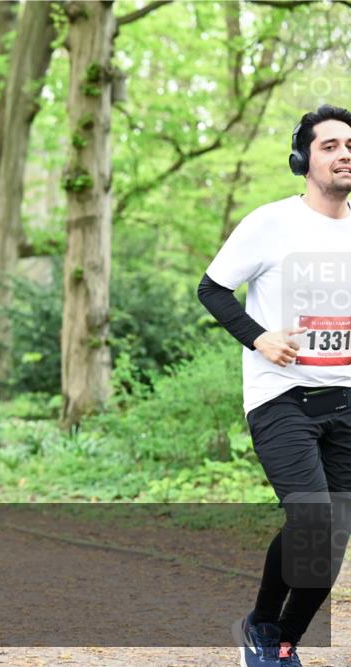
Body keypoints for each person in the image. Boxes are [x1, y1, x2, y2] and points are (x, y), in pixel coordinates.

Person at [198, 104, 351, 667]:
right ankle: (261, 625)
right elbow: (212, 289)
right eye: (330, 145)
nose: (344, 154)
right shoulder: (271, 223)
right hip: (282, 398)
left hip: (347, 400)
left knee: (332, 539)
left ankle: (280, 641)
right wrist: (258, 337)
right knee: (313, 520)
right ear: (302, 159)